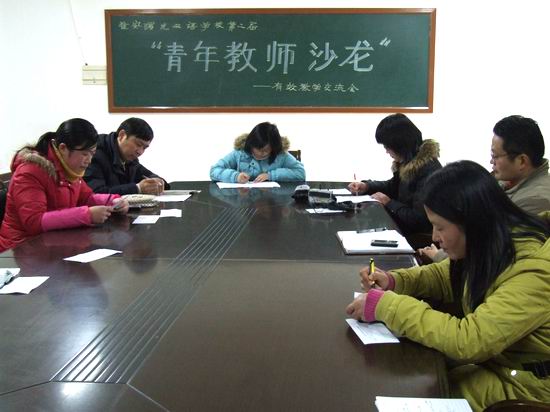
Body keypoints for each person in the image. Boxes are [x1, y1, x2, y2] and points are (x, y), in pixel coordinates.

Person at [346, 160, 550, 411]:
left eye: (440, 227)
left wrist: (387, 306)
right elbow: (446, 277)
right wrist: (395, 281)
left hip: (529, 386)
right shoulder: (497, 240)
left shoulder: (533, 270)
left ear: (472, 222)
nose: (434, 237)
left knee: (424, 393)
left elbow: (469, 340)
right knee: (415, 376)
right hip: (501, 363)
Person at [420, 114, 550, 263]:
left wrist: (439, 256)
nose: (491, 162)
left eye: (495, 156)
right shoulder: (506, 182)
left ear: (521, 161)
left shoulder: (536, 200)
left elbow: (494, 250)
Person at [0, 118, 129, 252]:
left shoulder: (69, 169)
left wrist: (112, 201)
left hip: (53, 244)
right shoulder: (30, 172)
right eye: (85, 154)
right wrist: (87, 215)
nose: (89, 160)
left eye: (92, 154)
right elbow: (34, 222)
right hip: (20, 250)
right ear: (63, 148)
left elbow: (86, 198)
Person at [348, 113, 441, 237]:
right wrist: (367, 186)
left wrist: (389, 203)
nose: (386, 151)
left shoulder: (428, 172)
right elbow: (393, 186)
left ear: (399, 145)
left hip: (417, 237)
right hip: (401, 226)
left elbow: (420, 221)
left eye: (387, 147)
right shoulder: (408, 161)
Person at [84, 117, 169, 195]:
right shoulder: (94, 154)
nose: (140, 152)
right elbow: (96, 193)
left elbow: (148, 175)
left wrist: (158, 182)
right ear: (122, 135)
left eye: (145, 148)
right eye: (138, 144)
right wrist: (138, 188)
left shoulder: (130, 158)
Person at [209, 122, 306, 183]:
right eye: (258, 149)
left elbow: (300, 173)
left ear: (274, 148)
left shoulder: (281, 155)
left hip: (272, 201)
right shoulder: (239, 153)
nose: (261, 153)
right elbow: (214, 171)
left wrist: (271, 175)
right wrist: (235, 176)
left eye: (266, 150)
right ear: (251, 143)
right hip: (243, 201)